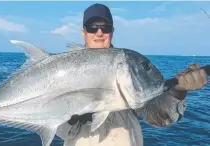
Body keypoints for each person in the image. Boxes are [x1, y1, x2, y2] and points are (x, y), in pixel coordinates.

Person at [56, 3, 208, 146]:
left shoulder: (130, 67)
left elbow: (158, 117)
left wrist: (177, 92)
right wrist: (70, 117)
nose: (99, 33)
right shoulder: (63, 72)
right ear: (84, 32)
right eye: (92, 27)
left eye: (105, 27)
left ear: (112, 32)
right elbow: (60, 131)